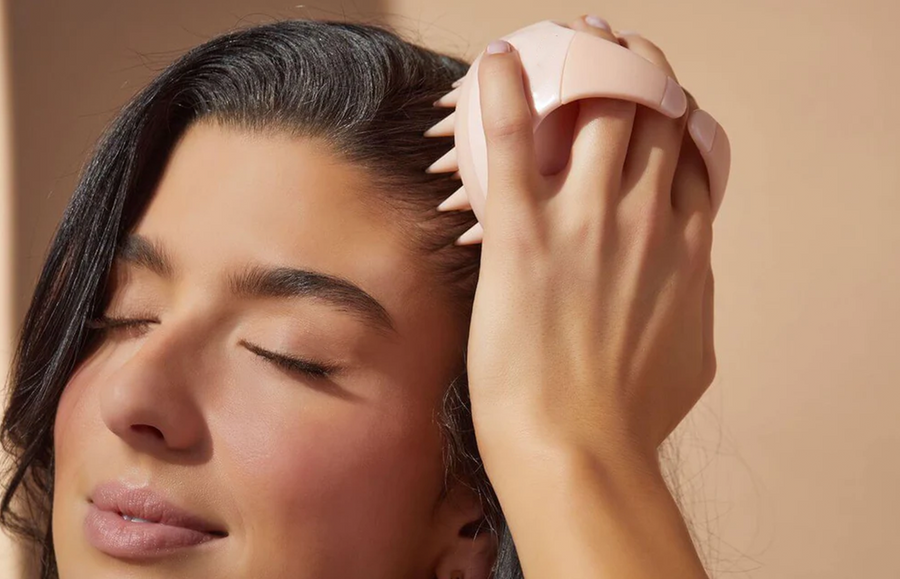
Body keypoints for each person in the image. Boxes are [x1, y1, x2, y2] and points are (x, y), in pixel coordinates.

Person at [0, 14, 718, 579]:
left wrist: (578, 444)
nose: (131, 397)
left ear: (477, 515)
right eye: (119, 314)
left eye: (288, 354)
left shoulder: (549, 452)